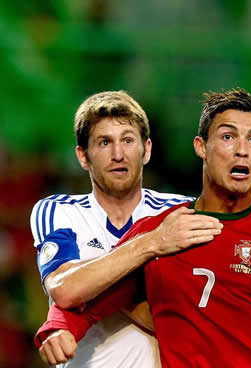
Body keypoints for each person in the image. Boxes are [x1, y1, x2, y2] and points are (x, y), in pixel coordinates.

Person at [34, 88, 251, 367]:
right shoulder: (163, 230)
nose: (242, 149)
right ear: (201, 147)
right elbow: (97, 297)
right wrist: (60, 327)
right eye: (228, 136)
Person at [30, 90, 223, 367]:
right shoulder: (59, 210)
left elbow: (200, 318)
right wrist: (152, 243)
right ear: (83, 156)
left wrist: (94, 286)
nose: (118, 154)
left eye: (128, 141)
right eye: (104, 142)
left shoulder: (181, 211)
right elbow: (65, 289)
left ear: (147, 150)